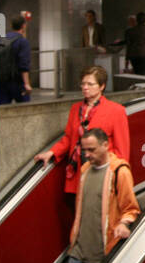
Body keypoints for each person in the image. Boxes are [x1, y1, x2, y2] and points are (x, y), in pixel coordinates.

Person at [61, 127, 139, 263]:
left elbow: (131, 208)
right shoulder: (85, 170)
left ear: (105, 145)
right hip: (80, 249)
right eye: (84, 150)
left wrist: (124, 223)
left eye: (92, 149)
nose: (87, 154)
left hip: (105, 248)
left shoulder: (120, 171)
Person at [34, 66, 130, 197]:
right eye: (83, 84)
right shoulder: (76, 109)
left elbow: (122, 150)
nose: (85, 87)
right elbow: (69, 138)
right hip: (78, 172)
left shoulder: (116, 111)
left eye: (90, 84)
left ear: (101, 86)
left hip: (103, 173)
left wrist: (117, 176)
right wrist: (52, 152)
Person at [0, 13, 32, 104]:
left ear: (11, 26)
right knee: (25, 107)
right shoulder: (22, 41)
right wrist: (26, 84)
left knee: (3, 108)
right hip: (17, 81)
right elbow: (24, 64)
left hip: (1, 80)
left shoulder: (1, 39)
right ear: (24, 26)